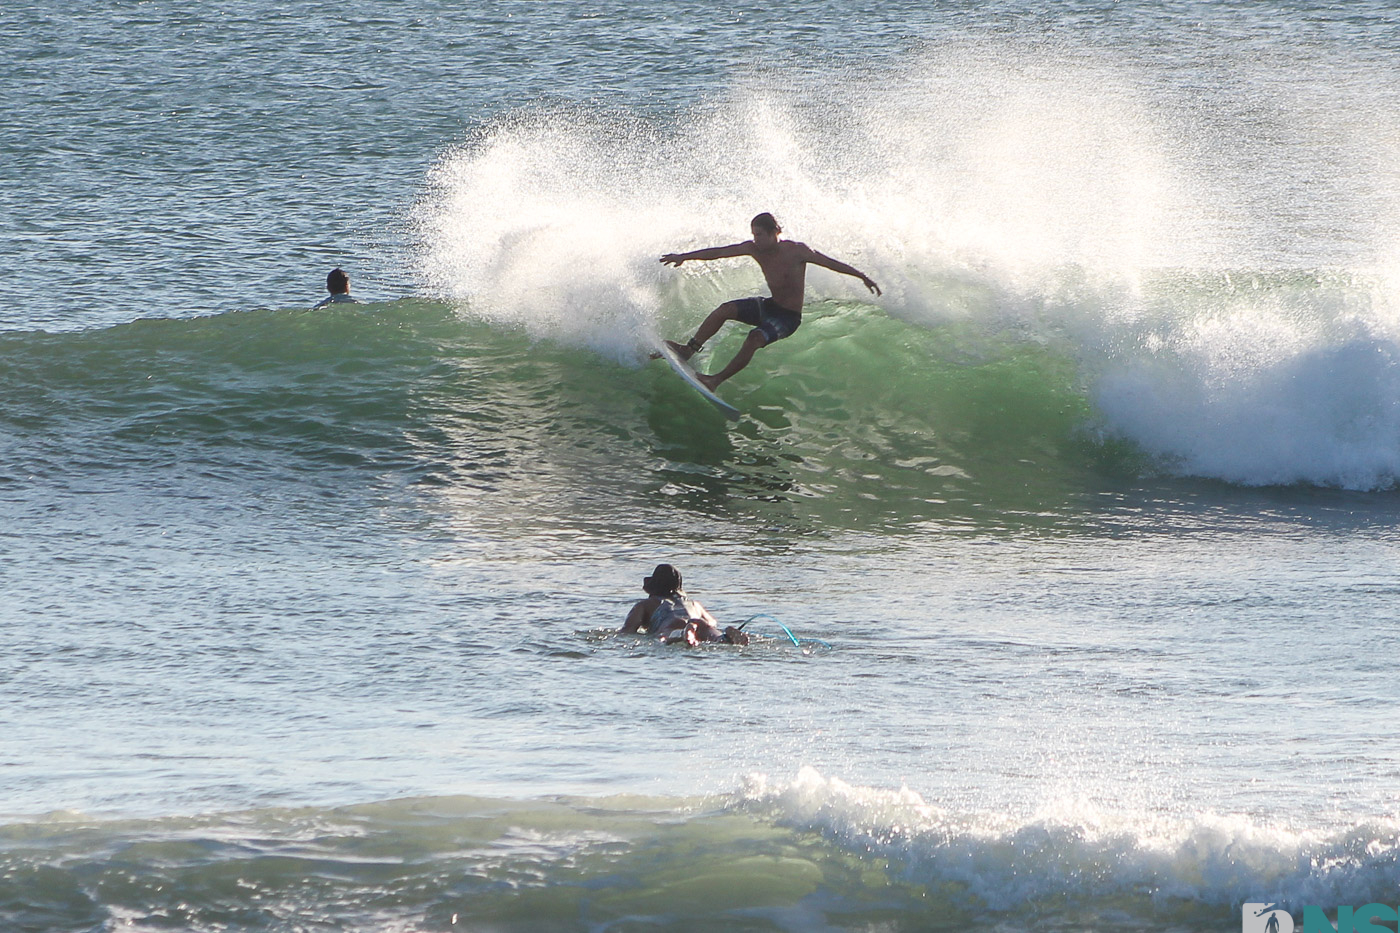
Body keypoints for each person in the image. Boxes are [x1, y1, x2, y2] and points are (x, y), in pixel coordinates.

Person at [659, 213, 881, 390]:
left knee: (754, 338)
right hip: (770, 306)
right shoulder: (753, 249)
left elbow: (831, 263)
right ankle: (688, 350)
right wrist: (684, 256)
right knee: (724, 310)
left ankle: (715, 381)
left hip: (788, 318)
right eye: (754, 235)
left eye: (760, 235)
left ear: (775, 232)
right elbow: (719, 252)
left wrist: (862, 276)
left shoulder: (797, 251)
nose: (756, 240)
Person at [620, 564, 748, 646]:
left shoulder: (645, 605)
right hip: (699, 622)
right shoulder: (694, 604)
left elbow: (627, 632)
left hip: (671, 623)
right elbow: (712, 622)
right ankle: (723, 638)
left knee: (665, 637)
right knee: (715, 637)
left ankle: (683, 634)